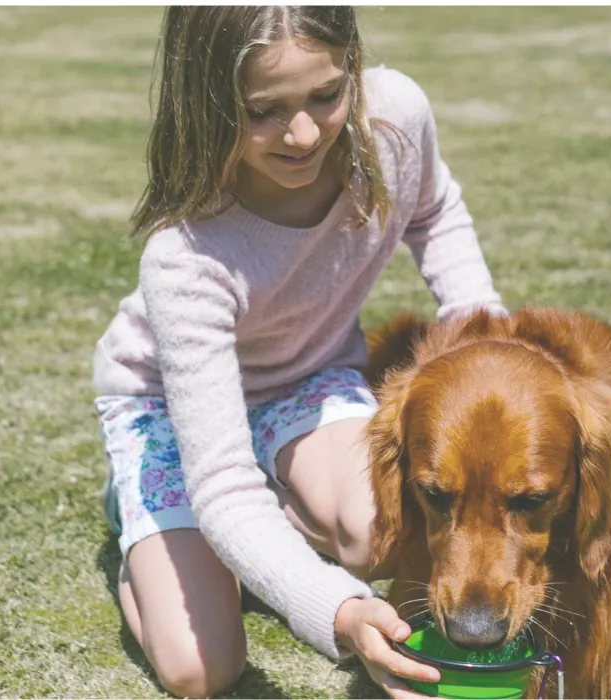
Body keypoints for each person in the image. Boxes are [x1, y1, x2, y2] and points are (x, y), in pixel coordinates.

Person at [91, 6, 506, 698]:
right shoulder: (185, 255)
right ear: (209, 101)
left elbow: (435, 212)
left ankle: (265, 528)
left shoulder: (395, 118)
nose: (305, 133)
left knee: (383, 535)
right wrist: (339, 609)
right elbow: (220, 479)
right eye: (265, 110)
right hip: (170, 410)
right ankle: (140, 513)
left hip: (308, 379)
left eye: (325, 95)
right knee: (200, 669)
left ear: (352, 65)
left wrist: (489, 341)